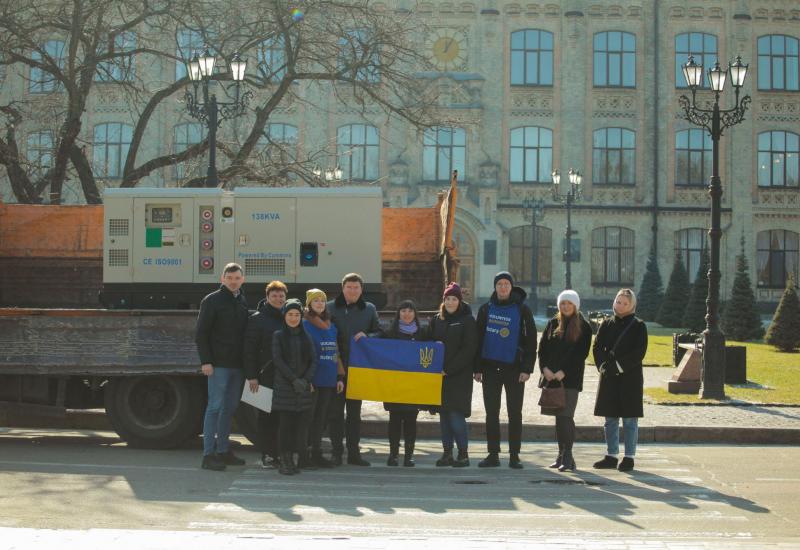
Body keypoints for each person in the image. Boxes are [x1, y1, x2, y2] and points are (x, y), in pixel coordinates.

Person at [474, 271, 537, 469]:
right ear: (495, 287)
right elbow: (478, 340)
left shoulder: (522, 309)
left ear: (511, 287)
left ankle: (514, 455)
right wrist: (477, 368)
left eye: (506, 284)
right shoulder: (486, 309)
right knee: (491, 413)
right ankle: (493, 454)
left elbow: (531, 341)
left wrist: (527, 368)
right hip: (490, 369)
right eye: (499, 284)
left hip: (514, 369)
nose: (502, 287)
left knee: (514, 413)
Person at [195, 262, 249, 471]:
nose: (234, 282)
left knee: (229, 408)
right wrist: (206, 361)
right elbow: (201, 333)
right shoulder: (212, 301)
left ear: (242, 280)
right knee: (215, 408)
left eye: (237, 278)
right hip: (218, 365)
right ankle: (208, 455)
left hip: (238, 366)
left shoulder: (242, 300)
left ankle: (223, 451)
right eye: (230, 278)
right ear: (222, 279)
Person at [327, 273, 381, 466]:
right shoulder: (330, 307)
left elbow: (379, 332)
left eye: (356, 288)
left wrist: (367, 335)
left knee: (354, 414)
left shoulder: (369, 309)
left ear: (361, 289)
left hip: (359, 370)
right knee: (335, 413)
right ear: (343, 289)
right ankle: (336, 452)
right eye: (349, 287)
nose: (352, 291)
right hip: (336, 368)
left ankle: (354, 453)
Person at [592, 288, 648, 472]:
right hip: (609, 376)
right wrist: (602, 366)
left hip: (629, 377)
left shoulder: (639, 325)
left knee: (630, 419)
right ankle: (611, 455)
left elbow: (638, 352)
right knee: (610, 418)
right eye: (618, 301)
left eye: (625, 303)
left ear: (631, 305)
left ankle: (629, 456)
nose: (620, 305)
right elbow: (597, 346)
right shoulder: (606, 324)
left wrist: (618, 367)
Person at [537, 290, 592, 472]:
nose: (565, 306)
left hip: (570, 379)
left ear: (575, 305)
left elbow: (580, 354)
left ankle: (567, 455)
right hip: (551, 377)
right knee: (558, 419)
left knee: (566, 416)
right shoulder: (553, 323)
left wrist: (563, 372)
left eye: (569, 303)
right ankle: (561, 455)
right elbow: (542, 348)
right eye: (562, 303)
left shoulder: (584, 327)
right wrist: (544, 368)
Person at [429, 283, 477, 468]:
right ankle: (447, 453)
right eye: (447, 299)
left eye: (454, 299)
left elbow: (469, 349)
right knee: (443, 417)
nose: (450, 302)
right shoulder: (437, 320)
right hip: (438, 377)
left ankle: (463, 454)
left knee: (456, 416)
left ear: (459, 301)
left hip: (458, 377)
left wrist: (448, 369)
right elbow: (428, 341)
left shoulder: (467, 321)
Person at [243, 280, 287, 469]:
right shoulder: (257, 319)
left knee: (282, 417)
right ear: (267, 297)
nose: (278, 299)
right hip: (263, 375)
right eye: (274, 295)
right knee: (265, 418)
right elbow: (249, 350)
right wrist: (251, 376)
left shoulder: (290, 316)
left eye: (281, 296)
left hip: (284, 376)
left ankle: (280, 453)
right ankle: (267, 455)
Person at [271, 299, 317, 475]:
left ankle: (302, 458)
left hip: (303, 388)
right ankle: (285, 460)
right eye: (290, 314)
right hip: (285, 387)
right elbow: (278, 360)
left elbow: (314, 360)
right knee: (286, 426)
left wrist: (305, 380)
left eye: (297, 315)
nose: (293, 318)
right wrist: (293, 380)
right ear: (285, 316)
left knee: (302, 426)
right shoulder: (278, 335)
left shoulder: (307, 337)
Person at [303, 289, 345, 468]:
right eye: (315, 301)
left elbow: (335, 352)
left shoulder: (331, 325)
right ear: (309, 304)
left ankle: (317, 453)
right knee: (309, 418)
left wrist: (339, 376)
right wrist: (307, 379)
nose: (319, 303)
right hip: (313, 379)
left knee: (322, 418)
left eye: (322, 300)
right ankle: (305, 453)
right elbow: (303, 354)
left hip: (329, 378)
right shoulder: (304, 325)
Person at [381, 299, 425, 467]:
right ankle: (393, 454)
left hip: (413, 386)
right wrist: (365, 337)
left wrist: (437, 345)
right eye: (403, 311)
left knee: (411, 421)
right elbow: (377, 343)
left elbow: (430, 351)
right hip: (394, 385)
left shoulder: (422, 333)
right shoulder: (390, 332)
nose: (407, 314)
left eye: (410, 311)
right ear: (398, 313)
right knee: (394, 420)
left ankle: (409, 455)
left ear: (415, 314)